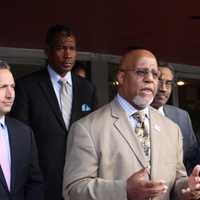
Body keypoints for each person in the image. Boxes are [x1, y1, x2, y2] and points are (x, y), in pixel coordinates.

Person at [63, 49, 200, 200]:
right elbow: (73, 191)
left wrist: (188, 186)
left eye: (155, 74)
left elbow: (175, 183)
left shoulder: (172, 129)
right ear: (121, 77)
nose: (150, 79)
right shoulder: (87, 129)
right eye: (141, 72)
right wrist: (124, 191)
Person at [10, 24, 97, 200]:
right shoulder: (27, 87)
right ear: (47, 51)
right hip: (42, 183)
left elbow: (97, 133)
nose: (68, 55)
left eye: (72, 48)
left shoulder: (87, 89)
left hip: (80, 181)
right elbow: (20, 139)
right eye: (61, 48)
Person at [0, 61, 43, 200]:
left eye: (12, 87)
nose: (10, 94)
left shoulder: (24, 134)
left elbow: (35, 183)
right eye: (3, 87)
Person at [151, 64, 199, 175]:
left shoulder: (182, 116)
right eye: (159, 81)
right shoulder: (135, 116)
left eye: (168, 83)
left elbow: (192, 157)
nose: (163, 89)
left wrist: (188, 184)